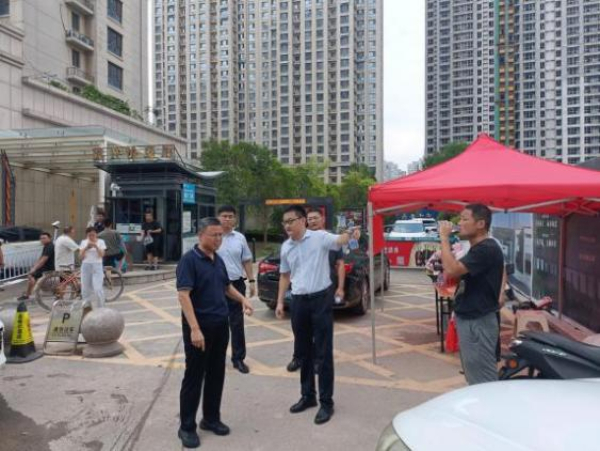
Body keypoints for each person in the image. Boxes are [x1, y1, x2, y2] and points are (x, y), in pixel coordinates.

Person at [275, 205, 359, 425]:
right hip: (299, 302)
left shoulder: (319, 237)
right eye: (284, 222)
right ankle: (307, 396)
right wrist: (280, 301)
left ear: (302, 220)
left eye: (291, 221)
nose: (287, 226)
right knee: (303, 352)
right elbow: (285, 275)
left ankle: (326, 402)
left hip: (320, 300)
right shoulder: (286, 247)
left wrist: (350, 233)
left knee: (323, 352)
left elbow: (340, 240)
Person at [176, 217, 254, 449]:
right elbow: (183, 295)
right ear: (201, 235)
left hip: (220, 326)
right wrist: (195, 329)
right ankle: (186, 427)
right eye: (214, 235)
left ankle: (210, 418)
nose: (219, 239)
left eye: (221, 235)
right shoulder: (189, 260)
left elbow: (226, 286)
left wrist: (243, 299)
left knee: (216, 374)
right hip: (199, 329)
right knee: (194, 376)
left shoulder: (217, 259)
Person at [438, 204, 504, 385]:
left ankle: (488, 404)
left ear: (481, 224)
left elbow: (452, 270)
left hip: (479, 320)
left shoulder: (487, 248)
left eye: (464, 219)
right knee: (474, 374)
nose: (459, 223)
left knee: (483, 379)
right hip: (472, 318)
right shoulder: (478, 248)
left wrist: (444, 238)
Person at [287, 209, 346, 373]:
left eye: (315, 218)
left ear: (322, 219)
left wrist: (340, 287)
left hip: (324, 291)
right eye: (310, 218)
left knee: (320, 328)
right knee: (299, 327)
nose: (312, 221)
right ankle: (299, 357)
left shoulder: (331, 239)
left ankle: (319, 361)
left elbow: (340, 264)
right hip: (302, 291)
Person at [216, 205, 256, 374]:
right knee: (216, 323)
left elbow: (246, 260)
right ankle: (216, 359)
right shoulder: (213, 236)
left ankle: (238, 359)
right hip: (215, 286)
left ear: (235, 219)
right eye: (224, 216)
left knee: (237, 323)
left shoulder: (240, 238)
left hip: (236, 284)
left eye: (230, 216)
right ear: (218, 217)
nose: (227, 219)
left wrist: (252, 281)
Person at [17, 232, 55, 301]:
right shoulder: (47, 246)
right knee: (35, 276)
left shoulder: (49, 247)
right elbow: (41, 258)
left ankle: (27, 295)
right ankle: (32, 291)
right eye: (41, 238)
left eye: (44, 238)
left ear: (50, 238)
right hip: (47, 266)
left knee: (31, 275)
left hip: (48, 267)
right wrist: (35, 266)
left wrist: (34, 268)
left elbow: (43, 260)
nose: (42, 240)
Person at [79, 227, 107, 309]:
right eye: (89, 235)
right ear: (87, 235)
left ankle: (101, 308)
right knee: (85, 289)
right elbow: (80, 257)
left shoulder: (101, 242)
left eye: (93, 234)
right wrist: (86, 248)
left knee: (98, 289)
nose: (91, 236)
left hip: (97, 266)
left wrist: (96, 247)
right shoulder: (84, 242)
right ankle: (86, 307)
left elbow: (101, 255)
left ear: (96, 234)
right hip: (86, 266)